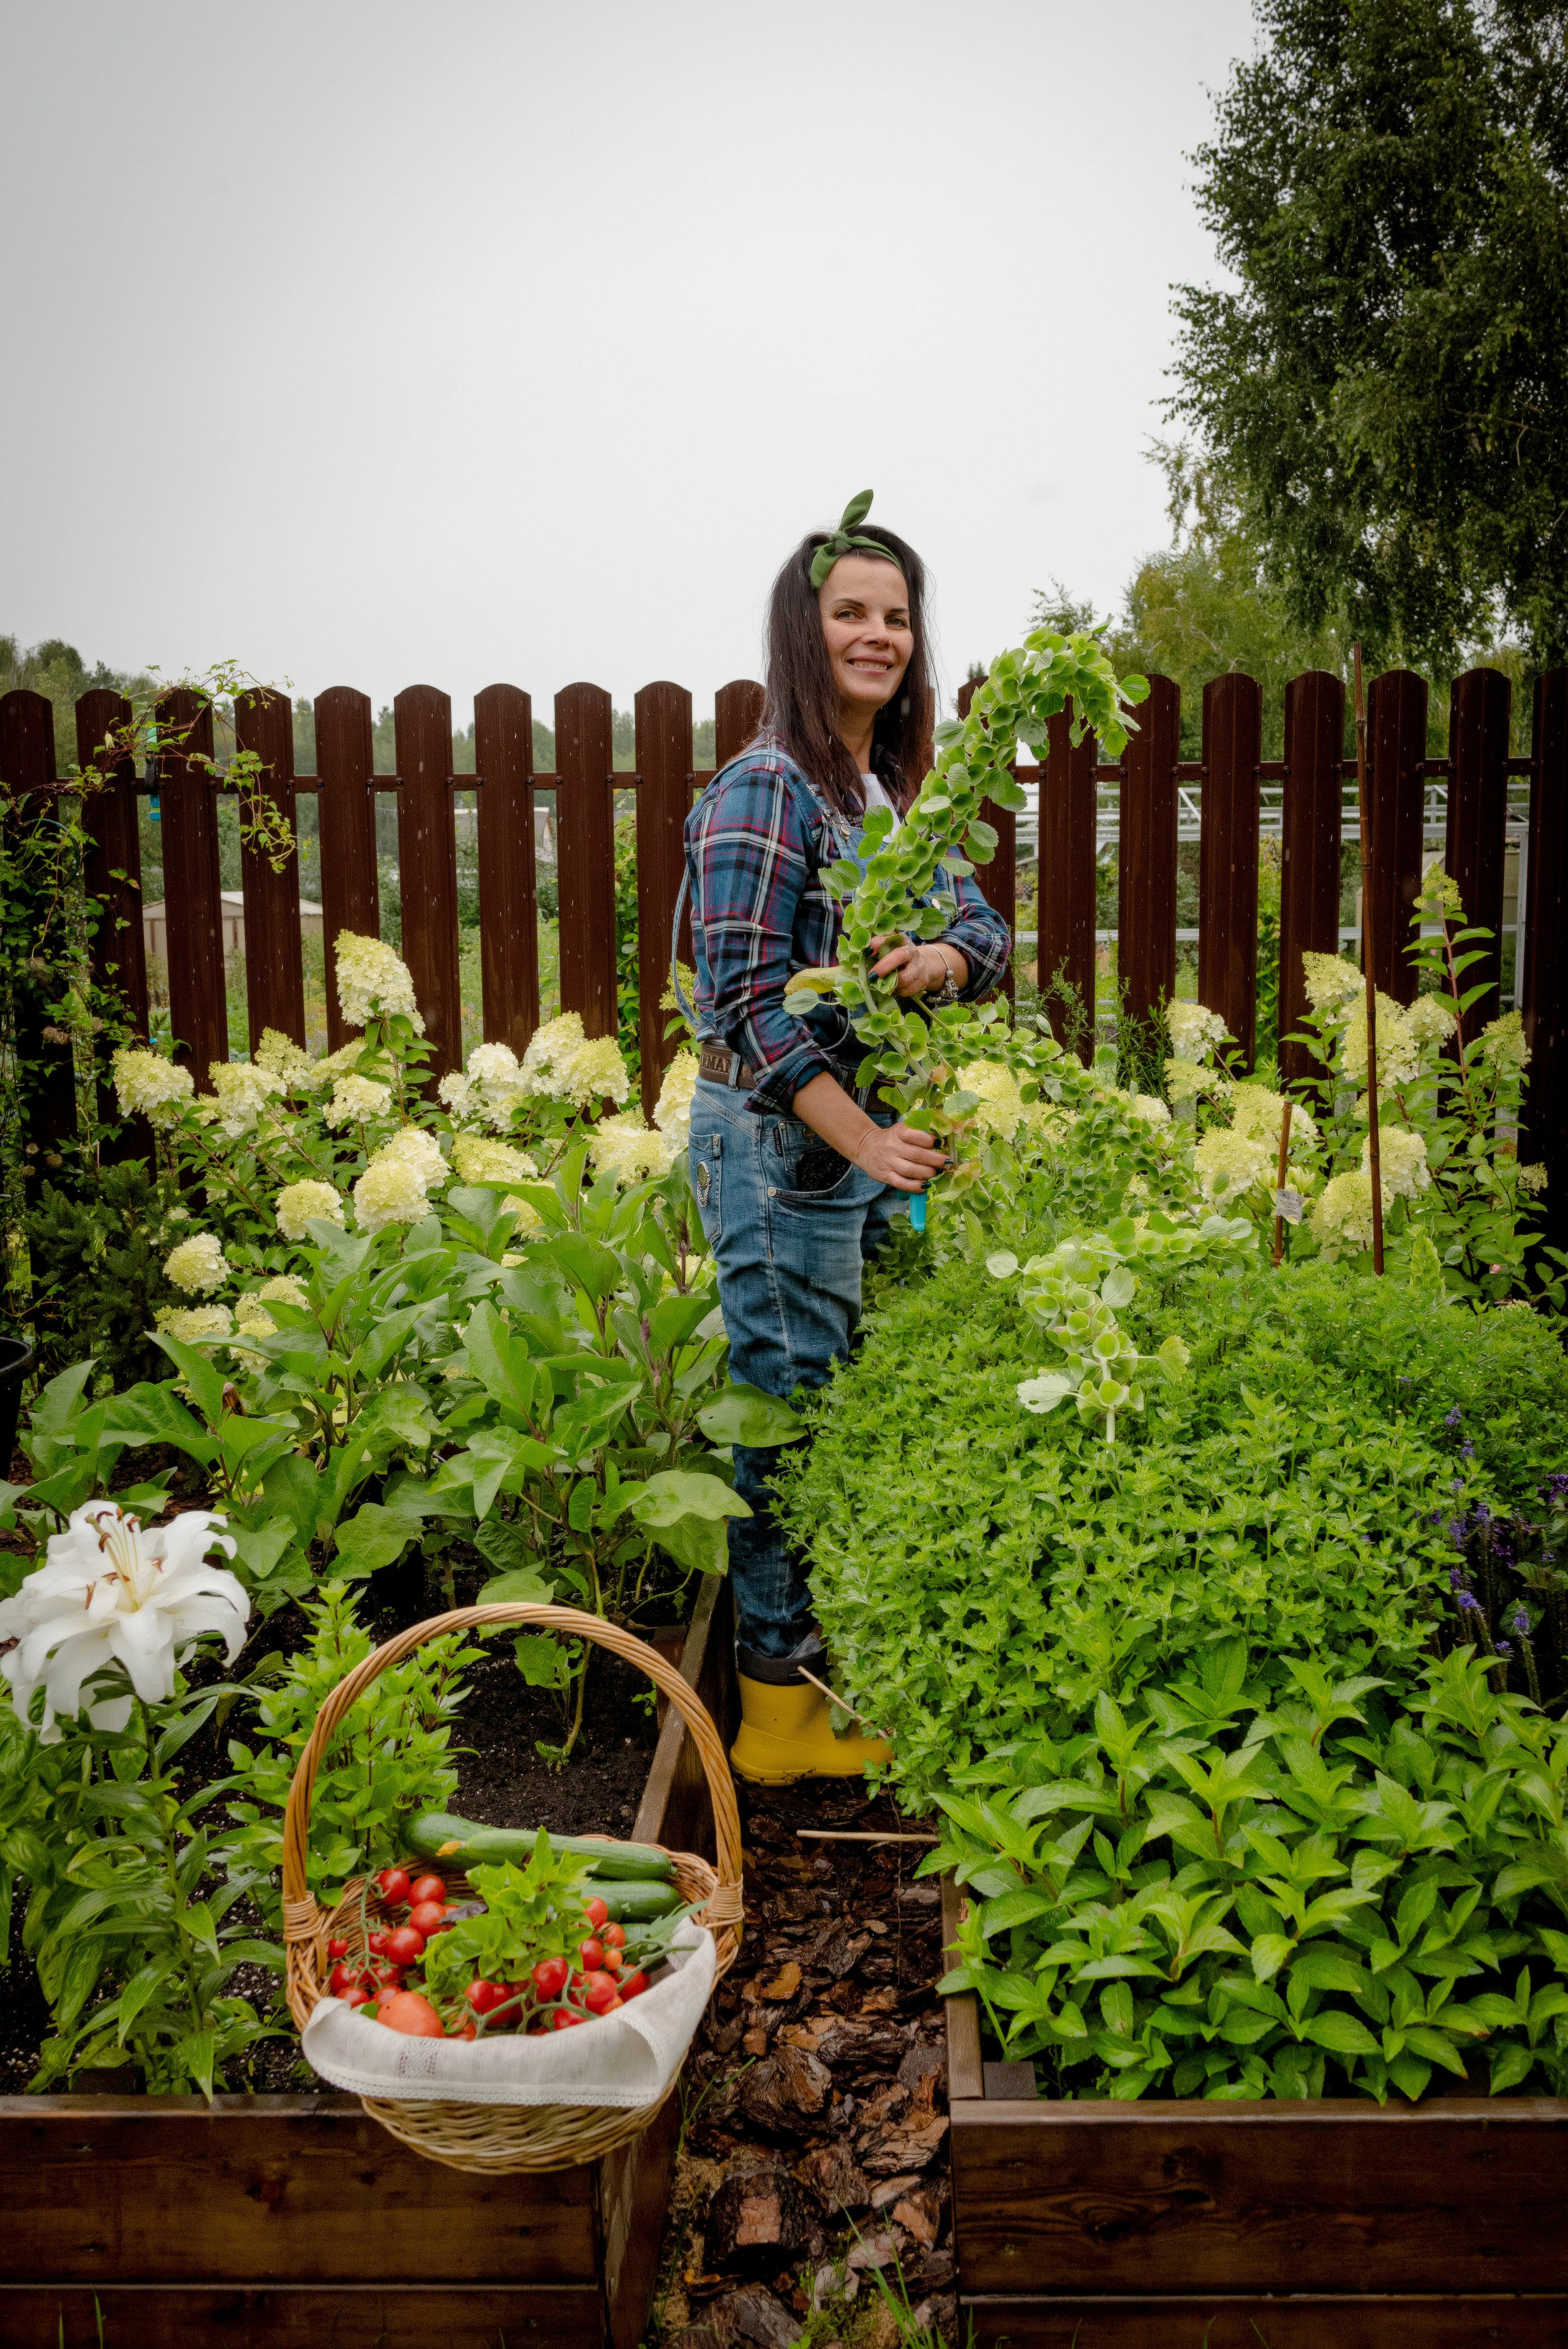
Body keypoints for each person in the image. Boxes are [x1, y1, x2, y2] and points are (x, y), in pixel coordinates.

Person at [682, 494, 1011, 1782]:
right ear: (802, 632)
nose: (877, 635)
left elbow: (985, 937)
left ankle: (810, 1672)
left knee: (836, 1399)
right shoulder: (766, 790)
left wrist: (937, 953)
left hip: (848, 1141)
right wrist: (867, 1143)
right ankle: (772, 1713)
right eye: (848, 613)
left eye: (895, 616)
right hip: (780, 1142)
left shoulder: (887, 795)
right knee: (785, 1411)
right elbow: (749, 1010)